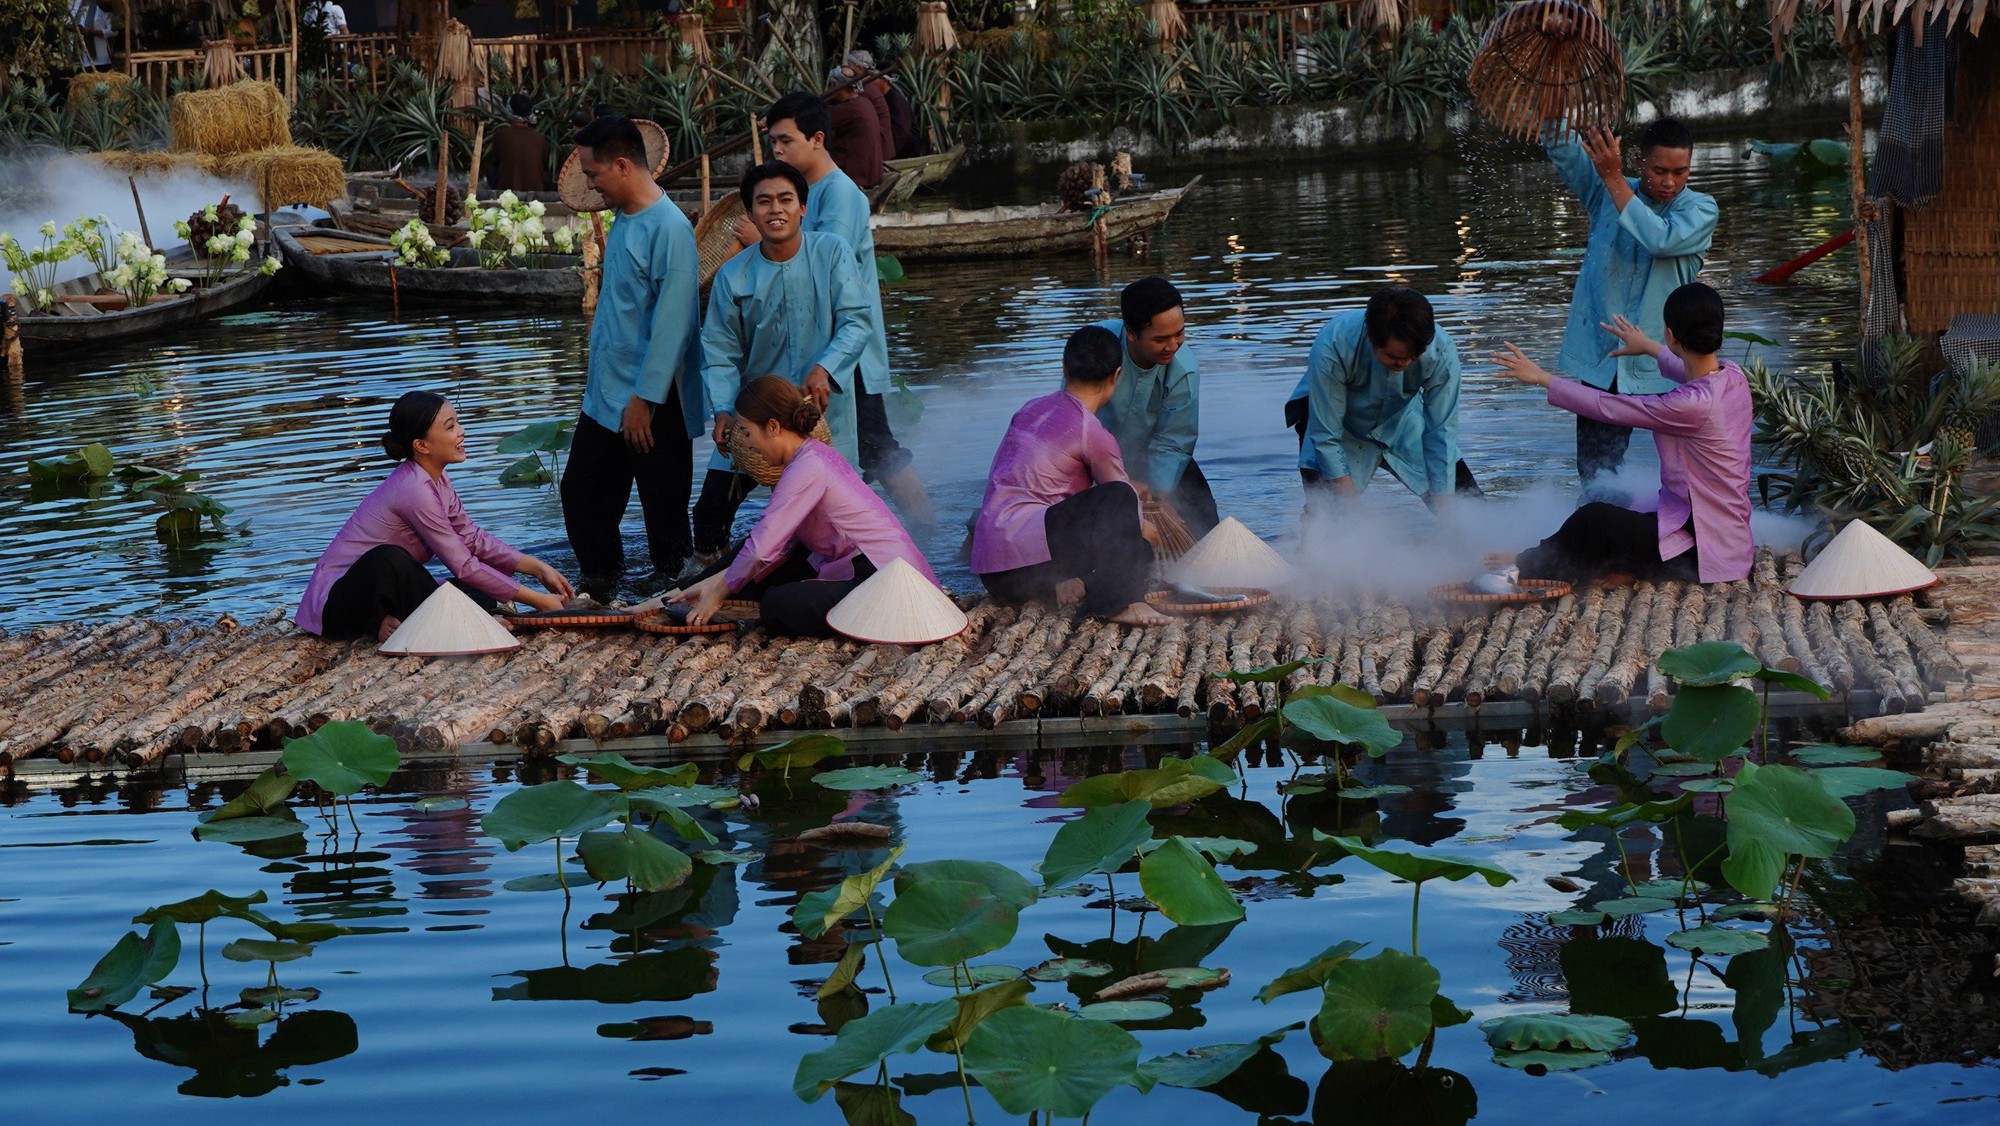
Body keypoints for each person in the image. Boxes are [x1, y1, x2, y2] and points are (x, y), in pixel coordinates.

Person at [1490, 282, 1751, 584]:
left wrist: (1543, 378)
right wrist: (1649, 347)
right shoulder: (1732, 376)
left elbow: (1608, 407)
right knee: (1617, 500)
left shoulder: (1691, 405)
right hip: (1728, 541)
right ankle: (1623, 568)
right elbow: (1689, 371)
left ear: (1670, 335)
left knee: (1594, 519)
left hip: (1704, 553)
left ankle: (1525, 563)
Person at [756, 91, 932, 523]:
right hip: (825, 347)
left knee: (876, 448)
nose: (777, 151)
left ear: (817, 139)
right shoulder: (801, 193)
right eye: (773, 142)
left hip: (846, 352)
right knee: (871, 449)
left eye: (786, 141)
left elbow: (822, 268)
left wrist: (758, 242)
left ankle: (922, 530)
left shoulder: (839, 195)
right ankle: (912, 529)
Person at [694, 162, 872, 562]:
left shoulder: (832, 252)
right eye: (764, 201)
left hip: (822, 410)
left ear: (802, 208)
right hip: (755, 415)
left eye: (785, 199)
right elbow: (720, 352)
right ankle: (710, 582)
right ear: (751, 213)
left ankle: (844, 577)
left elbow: (856, 321)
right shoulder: (732, 276)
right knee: (709, 516)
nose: (775, 209)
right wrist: (723, 410)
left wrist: (825, 367)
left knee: (834, 518)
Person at [560, 116, 706, 593]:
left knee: (663, 505)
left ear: (622, 166)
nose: (590, 185)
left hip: (654, 397)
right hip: (607, 391)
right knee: (582, 491)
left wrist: (646, 398)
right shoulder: (624, 215)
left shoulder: (670, 228)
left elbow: (674, 325)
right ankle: (602, 584)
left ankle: (673, 593)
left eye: (594, 174)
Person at [296, 392, 574, 641]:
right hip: (338, 605)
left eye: (458, 423)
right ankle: (386, 621)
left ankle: (395, 619)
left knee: (486, 590)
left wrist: (538, 568)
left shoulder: (437, 479)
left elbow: (471, 538)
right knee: (388, 558)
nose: (462, 432)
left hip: (386, 593)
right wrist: (539, 601)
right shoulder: (413, 489)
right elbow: (463, 565)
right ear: (422, 445)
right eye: (451, 427)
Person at [672, 377, 937, 635]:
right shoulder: (811, 455)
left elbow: (761, 551)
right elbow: (773, 546)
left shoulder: (807, 467)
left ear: (773, 427)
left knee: (777, 602)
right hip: (865, 569)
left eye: (748, 433)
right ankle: (681, 593)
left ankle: (693, 594)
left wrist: (717, 595)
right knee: (751, 564)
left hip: (885, 579)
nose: (749, 445)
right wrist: (711, 584)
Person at [1547, 118, 1718, 492]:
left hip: (1668, 360)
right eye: (1659, 171)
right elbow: (1564, 150)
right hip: (1606, 358)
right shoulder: (1604, 191)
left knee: (1687, 472)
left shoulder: (1701, 208)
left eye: (1680, 172)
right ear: (1640, 161)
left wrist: (1613, 178)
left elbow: (1661, 240)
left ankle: (1690, 525)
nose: (1669, 182)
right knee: (1597, 475)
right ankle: (1597, 524)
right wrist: (1552, 108)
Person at [973, 326, 1170, 628]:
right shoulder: (1091, 431)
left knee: (1129, 542)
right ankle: (1120, 602)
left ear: (1064, 368)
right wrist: (1143, 528)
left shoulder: (1030, 409)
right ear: (1116, 376)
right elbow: (1124, 501)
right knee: (1123, 503)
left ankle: (1066, 583)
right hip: (1031, 555)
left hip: (997, 574)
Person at [1286, 287, 1464, 514]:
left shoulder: (1441, 351)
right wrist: (1350, 509)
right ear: (1372, 339)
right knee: (1326, 523)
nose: (1405, 364)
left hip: (1402, 419)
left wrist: (1446, 508)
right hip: (1338, 426)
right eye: (1395, 358)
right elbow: (1326, 435)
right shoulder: (1334, 344)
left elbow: (1441, 432)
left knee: (1467, 508)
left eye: (1413, 357)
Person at [1092, 277, 1218, 536]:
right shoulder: (1096, 347)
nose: (1173, 346)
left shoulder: (1184, 369)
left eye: (1179, 334)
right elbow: (1075, 418)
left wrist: (1156, 499)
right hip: (1091, 457)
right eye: (1160, 339)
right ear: (1131, 332)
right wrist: (1115, 481)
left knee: (1205, 522)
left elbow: (1173, 443)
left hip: (1155, 454)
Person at [848, 50, 918, 159]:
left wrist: (885, 153)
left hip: (904, 152)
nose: (871, 81)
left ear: (883, 80)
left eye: (874, 78)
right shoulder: (879, 97)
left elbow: (900, 132)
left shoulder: (896, 101)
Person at [823, 72, 883, 190]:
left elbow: (820, 120)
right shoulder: (864, 102)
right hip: (867, 168)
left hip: (856, 170)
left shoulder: (851, 108)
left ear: (835, 85)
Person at [488, 92, 551, 193]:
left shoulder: (501, 136)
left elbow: (495, 162)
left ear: (509, 111)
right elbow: (545, 167)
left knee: (492, 167)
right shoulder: (540, 139)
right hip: (536, 193)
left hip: (509, 193)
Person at [840, 60, 894, 169]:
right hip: (877, 149)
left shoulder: (864, 91)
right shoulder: (864, 91)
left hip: (877, 151)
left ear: (859, 68)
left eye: (851, 66)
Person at [73, 1, 113, 72]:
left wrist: (93, 32)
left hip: (101, 61)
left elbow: (114, 31)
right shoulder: (77, 6)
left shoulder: (102, 6)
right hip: (82, 61)